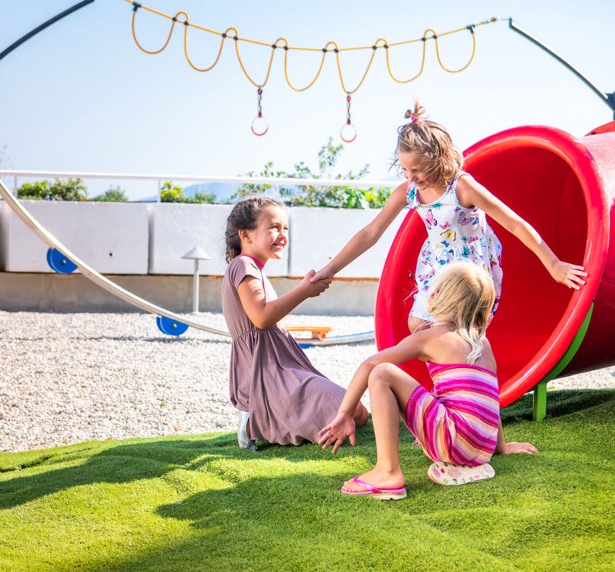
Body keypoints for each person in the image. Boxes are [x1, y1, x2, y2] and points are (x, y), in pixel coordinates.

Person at [311, 100, 587, 332]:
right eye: (405, 170)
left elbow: (513, 223)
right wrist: (330, 269)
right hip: (437, 266)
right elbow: (370, 233)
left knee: (449, 329)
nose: (411, 177)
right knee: (417, 324)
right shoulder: (407, 192)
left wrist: (554, 265)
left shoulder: (462, 187)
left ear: (439, 159)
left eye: (417, 170)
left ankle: (468, 382)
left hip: (470, 269)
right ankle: (449, 384)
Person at [318, 261, 538, 500]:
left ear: (436, 295)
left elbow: (370, 364)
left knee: (382, 373)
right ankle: (463, 463)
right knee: (442, 393)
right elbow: (488, 400)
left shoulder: (430, 338)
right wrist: (502, 448)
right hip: (481, 450)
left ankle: (387, 472)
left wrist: (345, 414)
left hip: (454, 443)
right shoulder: (483, 343)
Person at [222, 196, 368, 450]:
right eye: (273, 227)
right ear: (245, 235)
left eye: (285, 229)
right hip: (268, 372)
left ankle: (268, 418)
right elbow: (262, 317)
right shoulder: (243, 265)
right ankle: (254, 420)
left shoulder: (252, 268)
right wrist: (304, 291)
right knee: (352, 410)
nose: (282, 235)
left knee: (359, 413)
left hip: (279, 365)